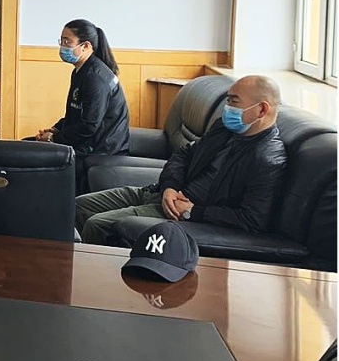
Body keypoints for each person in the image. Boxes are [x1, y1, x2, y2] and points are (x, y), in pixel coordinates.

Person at [75, 75, 286, 246]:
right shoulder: (224, 128)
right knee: (79, 205)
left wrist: (192, 211)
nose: (227, 107)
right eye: (227, 100)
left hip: (182, 214)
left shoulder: (267, 159)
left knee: (97, 224)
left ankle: (94, 277)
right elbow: (184, 154)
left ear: (262, 109)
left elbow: (251, 219)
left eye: (234, 101)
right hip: (162, 193)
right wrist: (170, 186)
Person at [34, 19, 130, 192]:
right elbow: (75, 114)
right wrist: (56, 129)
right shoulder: (80, 71)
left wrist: (55, 139)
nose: (62, 47)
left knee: (35, 159)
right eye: (61, 41)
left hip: (100, 149)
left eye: (67, 42)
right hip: (86, 142)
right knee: (28, 145)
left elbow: (89, 126)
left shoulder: (95, 77)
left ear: (85, 46)